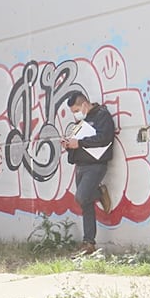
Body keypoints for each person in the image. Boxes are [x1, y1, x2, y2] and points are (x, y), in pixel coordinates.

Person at [61, 92, 114, 257]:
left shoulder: (102, 116)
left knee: (82, 197)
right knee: (86, 205)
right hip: (81, 166)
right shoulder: (80, 121)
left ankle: (99, 192)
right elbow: (77, 142)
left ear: (84, 104)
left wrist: (80, 142)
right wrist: (69, 145)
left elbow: (104, 138)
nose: (75, 113)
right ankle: (89, 243)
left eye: (76, 109)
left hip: (95, 165)